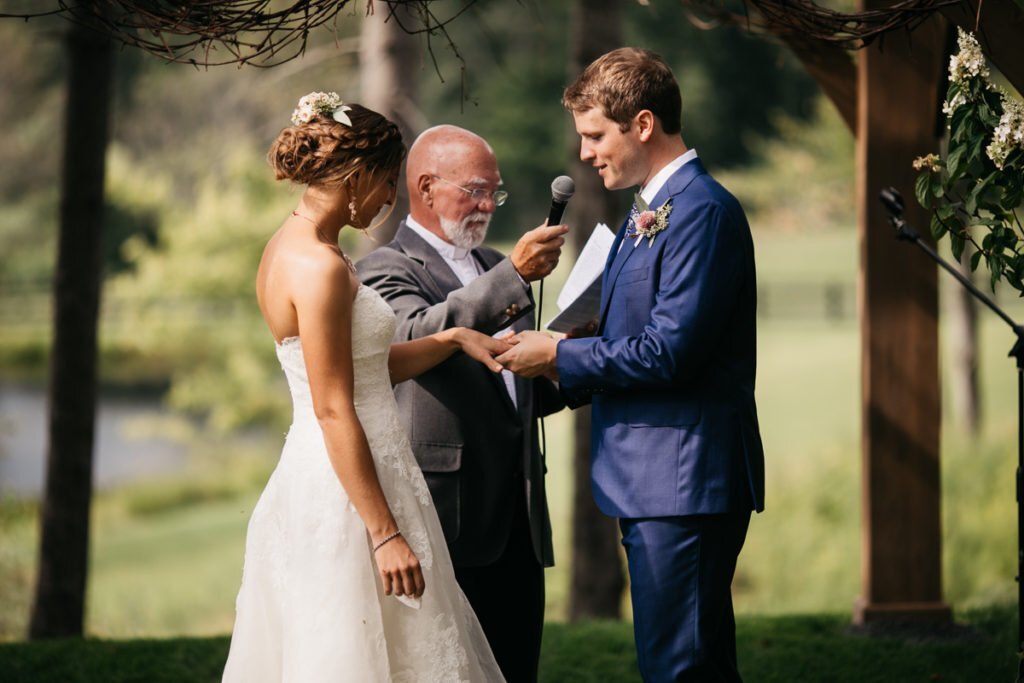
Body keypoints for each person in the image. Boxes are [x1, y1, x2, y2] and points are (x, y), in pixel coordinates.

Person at [497, 48, 766, 682]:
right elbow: (627, 338)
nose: (586, 153)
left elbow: (669, 352)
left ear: (642, 124)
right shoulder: (642, 218)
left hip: (684, 480)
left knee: (684, 668)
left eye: (595, 136)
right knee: (678, 663)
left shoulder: (701, 212)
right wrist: (556, 358)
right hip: (652, 481)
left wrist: (560, 353)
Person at [222, 92, 507, 682]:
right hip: (349, 488)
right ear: (357, 176)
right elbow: (332, 407)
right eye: (385, 185)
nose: (387, 202)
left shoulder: (307, 247)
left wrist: (452, 338)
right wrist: (383, 535)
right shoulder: (318, 267)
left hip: (362, 467)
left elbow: (366, 367)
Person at [356, 124, 567, 683]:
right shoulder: (385, 267)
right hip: (447, 515)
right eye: (475, 189)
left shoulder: (494, 262)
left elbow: (510, 385)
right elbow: (409, 335)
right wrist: (515, 275)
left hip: (519, 514)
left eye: (494, 193)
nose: (487, 205)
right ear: (426, 188)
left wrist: (572, 358)